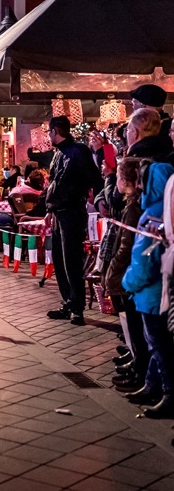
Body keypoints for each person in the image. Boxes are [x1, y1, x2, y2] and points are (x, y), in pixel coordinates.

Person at [121, 160, 174, 418]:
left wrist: (128, 281)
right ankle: (152, 386)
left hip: (151, 293)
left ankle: (168, 394)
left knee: (159, 345)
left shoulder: (153, 213)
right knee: (158, 345)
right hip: (160, 292)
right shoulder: (164, 210)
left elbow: (144, 258)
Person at [44, 115, 103, 326]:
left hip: (72, 212)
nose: (48, 136)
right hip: (58, 213)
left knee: (71, 260)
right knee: (59, 260)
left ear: (55, 132)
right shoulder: (58, 154)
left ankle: (77, 308)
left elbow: (95, 178)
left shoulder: (78, 151)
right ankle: (69, 302)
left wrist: (98, 199)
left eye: (49, 132)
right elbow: (54, 184)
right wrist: (49, 209)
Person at [103, 157, 151, 396]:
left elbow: (127, 244)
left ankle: (140, 369)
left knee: (136, 324)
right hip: (129, 272)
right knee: (132, 323)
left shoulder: (134, 208)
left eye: (119, 177)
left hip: (129, 273)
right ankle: (137, 365)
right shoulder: (131, 204)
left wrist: (114, 268)